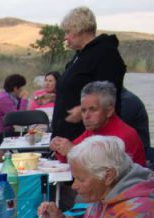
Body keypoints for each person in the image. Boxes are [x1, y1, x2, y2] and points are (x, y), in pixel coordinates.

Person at [51, 6, 126, 143]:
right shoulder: (79, 56)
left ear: (80, 29)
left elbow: (109, 92)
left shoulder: (105, 53)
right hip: (69, 136)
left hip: (90, 139)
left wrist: (82, 110)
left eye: (68, 32)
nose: (65, 37)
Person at [51, 81, 146, 166]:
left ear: (109, 111)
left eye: (93, 109)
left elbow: (105, 175)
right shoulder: (95, 128)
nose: (86, 116)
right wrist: (59, 147)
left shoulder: (123, 136)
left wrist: (73, 151)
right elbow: (67, 156)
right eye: (83, 110)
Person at [0, 73, 29, 149]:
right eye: (21, 88)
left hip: (3, 132)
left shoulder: (7, 97)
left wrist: (20, 100)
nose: (22, 90)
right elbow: (19, 118)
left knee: (28, 136)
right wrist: (24, 99)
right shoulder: (4, 100)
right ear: (15, 88)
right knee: (28, 139)